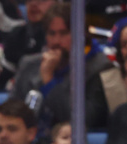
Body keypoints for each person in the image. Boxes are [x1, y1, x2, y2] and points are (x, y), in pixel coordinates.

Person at [9, 3, 117, 132]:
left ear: (81, 34)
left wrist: (49, 81)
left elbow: (83, 120)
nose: (56, 41)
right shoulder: (29, 64)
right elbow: (11, 113)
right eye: (51, 33)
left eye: (63, 33)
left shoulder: (100, 68)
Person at [0, 0, 53, 89]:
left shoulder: (73, 36)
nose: (33, 4)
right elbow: (3, 82)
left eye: (42, 0)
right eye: (29, 0)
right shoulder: (17, 34)